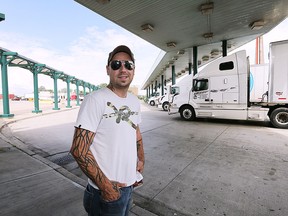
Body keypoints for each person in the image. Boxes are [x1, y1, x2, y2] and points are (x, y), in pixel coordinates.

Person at [70, 45, 145, 216]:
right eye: (117, 64)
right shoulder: (95, 100)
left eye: (128, 64)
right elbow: (78, 150)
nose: (123, 69)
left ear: (133, 70)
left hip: (128, 187)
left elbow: (136, 133)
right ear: (108, 69)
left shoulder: (134, 101)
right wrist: (107, 188)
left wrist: (140, 161)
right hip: (106, 194)